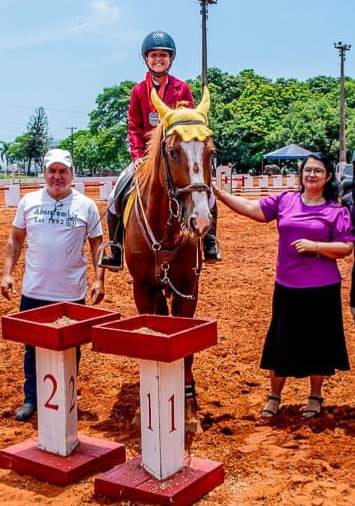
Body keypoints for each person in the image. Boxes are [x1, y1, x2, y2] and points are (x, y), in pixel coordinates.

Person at [214, 153, 353, 418]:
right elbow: (252, 209)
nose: (312, 175)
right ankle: (274, 397)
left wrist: (316, 247)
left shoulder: (336, 211)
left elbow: (345, 248)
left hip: (322, 288)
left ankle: (315, 396)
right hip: (287, 286)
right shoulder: (286, 200)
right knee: (280, 343)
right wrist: (220, 195)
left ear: (329, 177)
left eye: (318, 171)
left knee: (319, 343)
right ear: (301, 174)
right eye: (308, 170)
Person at [101, 30, 221, 269]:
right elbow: (134, 127)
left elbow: (189, 125)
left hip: (175, 156)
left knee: (207, 193)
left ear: (171, 58)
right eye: (154, 55)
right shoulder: (137, 91)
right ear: (146, 58)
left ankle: (210, 240)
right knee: (117, 194)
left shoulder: (181, 89)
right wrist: (137, 157)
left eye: (163, 55)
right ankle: (115, 246)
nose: (158, 59)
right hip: (146, 157)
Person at [1, 148, 105, 421]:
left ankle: (65, 397)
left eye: (63, 172)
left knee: (71, 348)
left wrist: (99, 278)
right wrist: (7, 273)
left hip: (70, 293)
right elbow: (15, 240)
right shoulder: (29, 202)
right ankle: (32, 398)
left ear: (72, 174)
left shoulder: (86, 206)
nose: (57, 177)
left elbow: (97, 244)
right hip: (34, 290)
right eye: (52, 171)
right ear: (44, 173)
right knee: (31, 347)